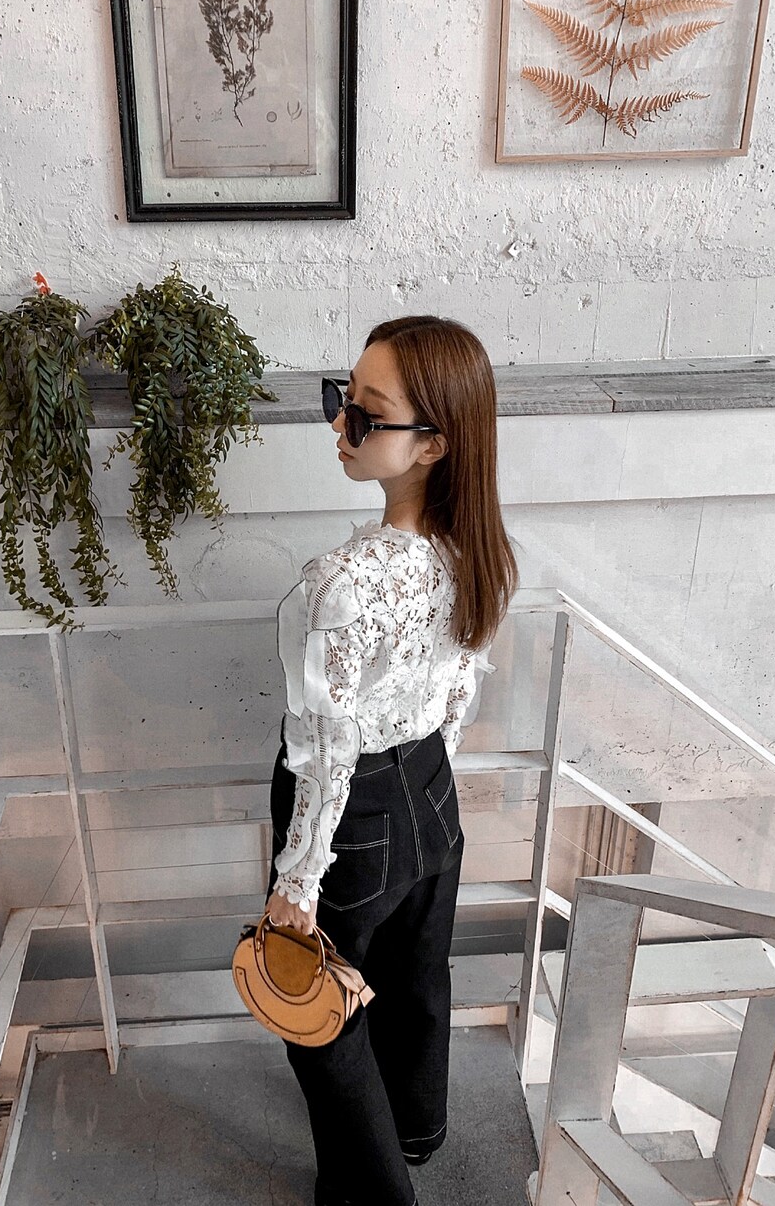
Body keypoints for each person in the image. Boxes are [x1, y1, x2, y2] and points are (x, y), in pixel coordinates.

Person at [264, 315, 518, 1206]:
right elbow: (458, 691)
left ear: (434, 445)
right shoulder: (477, 549)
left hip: (353, 816)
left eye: (367, 416)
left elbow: (328, 748)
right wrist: (428, 780)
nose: (340, 425)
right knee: (416, 973)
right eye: (341, 399)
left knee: (317, 1013)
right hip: (432, 791)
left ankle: (375, 1195)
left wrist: (297, 884)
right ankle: (417, 1127)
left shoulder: (342, 582)